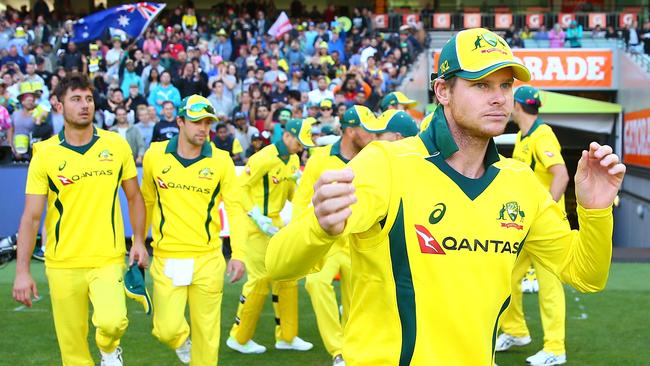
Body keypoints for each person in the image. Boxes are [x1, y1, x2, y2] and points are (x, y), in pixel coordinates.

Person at [265, 28, 625, 365]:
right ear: (443, 91)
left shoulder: (521, 184)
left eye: (505, 85)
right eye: (481, 85)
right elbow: (279, 265)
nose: (499, 98)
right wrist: (320, 228)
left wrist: (595, 210)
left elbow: (586, 275)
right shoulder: (386, 164)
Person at [12, 73, 149, 366]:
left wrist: (138, 240)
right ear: (59, 107)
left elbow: (135, 197)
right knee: (73, 351)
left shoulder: (116, 145)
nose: (85, 105)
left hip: (107, 258)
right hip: (62, 263)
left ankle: (109, 348)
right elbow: (31, 217)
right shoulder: (45, 154)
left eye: (88, 99)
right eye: (75, 99)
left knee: (113, 323)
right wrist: (22, 271)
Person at [142, 94, 246, 365]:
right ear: (180, 121)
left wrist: (239, 253)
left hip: (208, 259)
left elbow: (236, 209)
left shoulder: (222, 161)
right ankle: (180, 339)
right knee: (166, 328)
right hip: (167, 257)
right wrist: (139, 243)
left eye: (208, 122)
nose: (204, 128)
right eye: (197, 121)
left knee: (207, 335)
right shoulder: (155, 155)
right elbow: (146, 202)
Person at [294, 105, 379, 366]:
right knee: (316, 283)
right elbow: (301, 200)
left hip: (359, 243)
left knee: (357, 301)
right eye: (367, 130)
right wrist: (302, 241)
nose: (373, 135)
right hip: (328, 245)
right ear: (350, 131)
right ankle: (337, 350)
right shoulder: (320, 158)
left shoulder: (374, 158)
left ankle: (352, 348)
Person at [226, 118, 316, 355]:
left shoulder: (294, 159)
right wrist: (256, 215)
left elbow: (289, 193)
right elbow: (240, 187)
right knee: (259, 278)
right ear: (287, 136)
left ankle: (287, 336)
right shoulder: (263, 157)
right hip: (255, 225)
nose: (302, 147)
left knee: (287, 276)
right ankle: (239, 337)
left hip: (275, 224)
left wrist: (304, 200)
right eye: (299, 142)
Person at [496, 85, 570, 366]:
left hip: (545, 229)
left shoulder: (542, 135)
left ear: (517, 105)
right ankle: (516, 331)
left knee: (549, 287)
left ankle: (555, 348)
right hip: (525, 226)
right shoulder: (522, 136)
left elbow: (561, 176)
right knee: (507, 277)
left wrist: (546, 212)